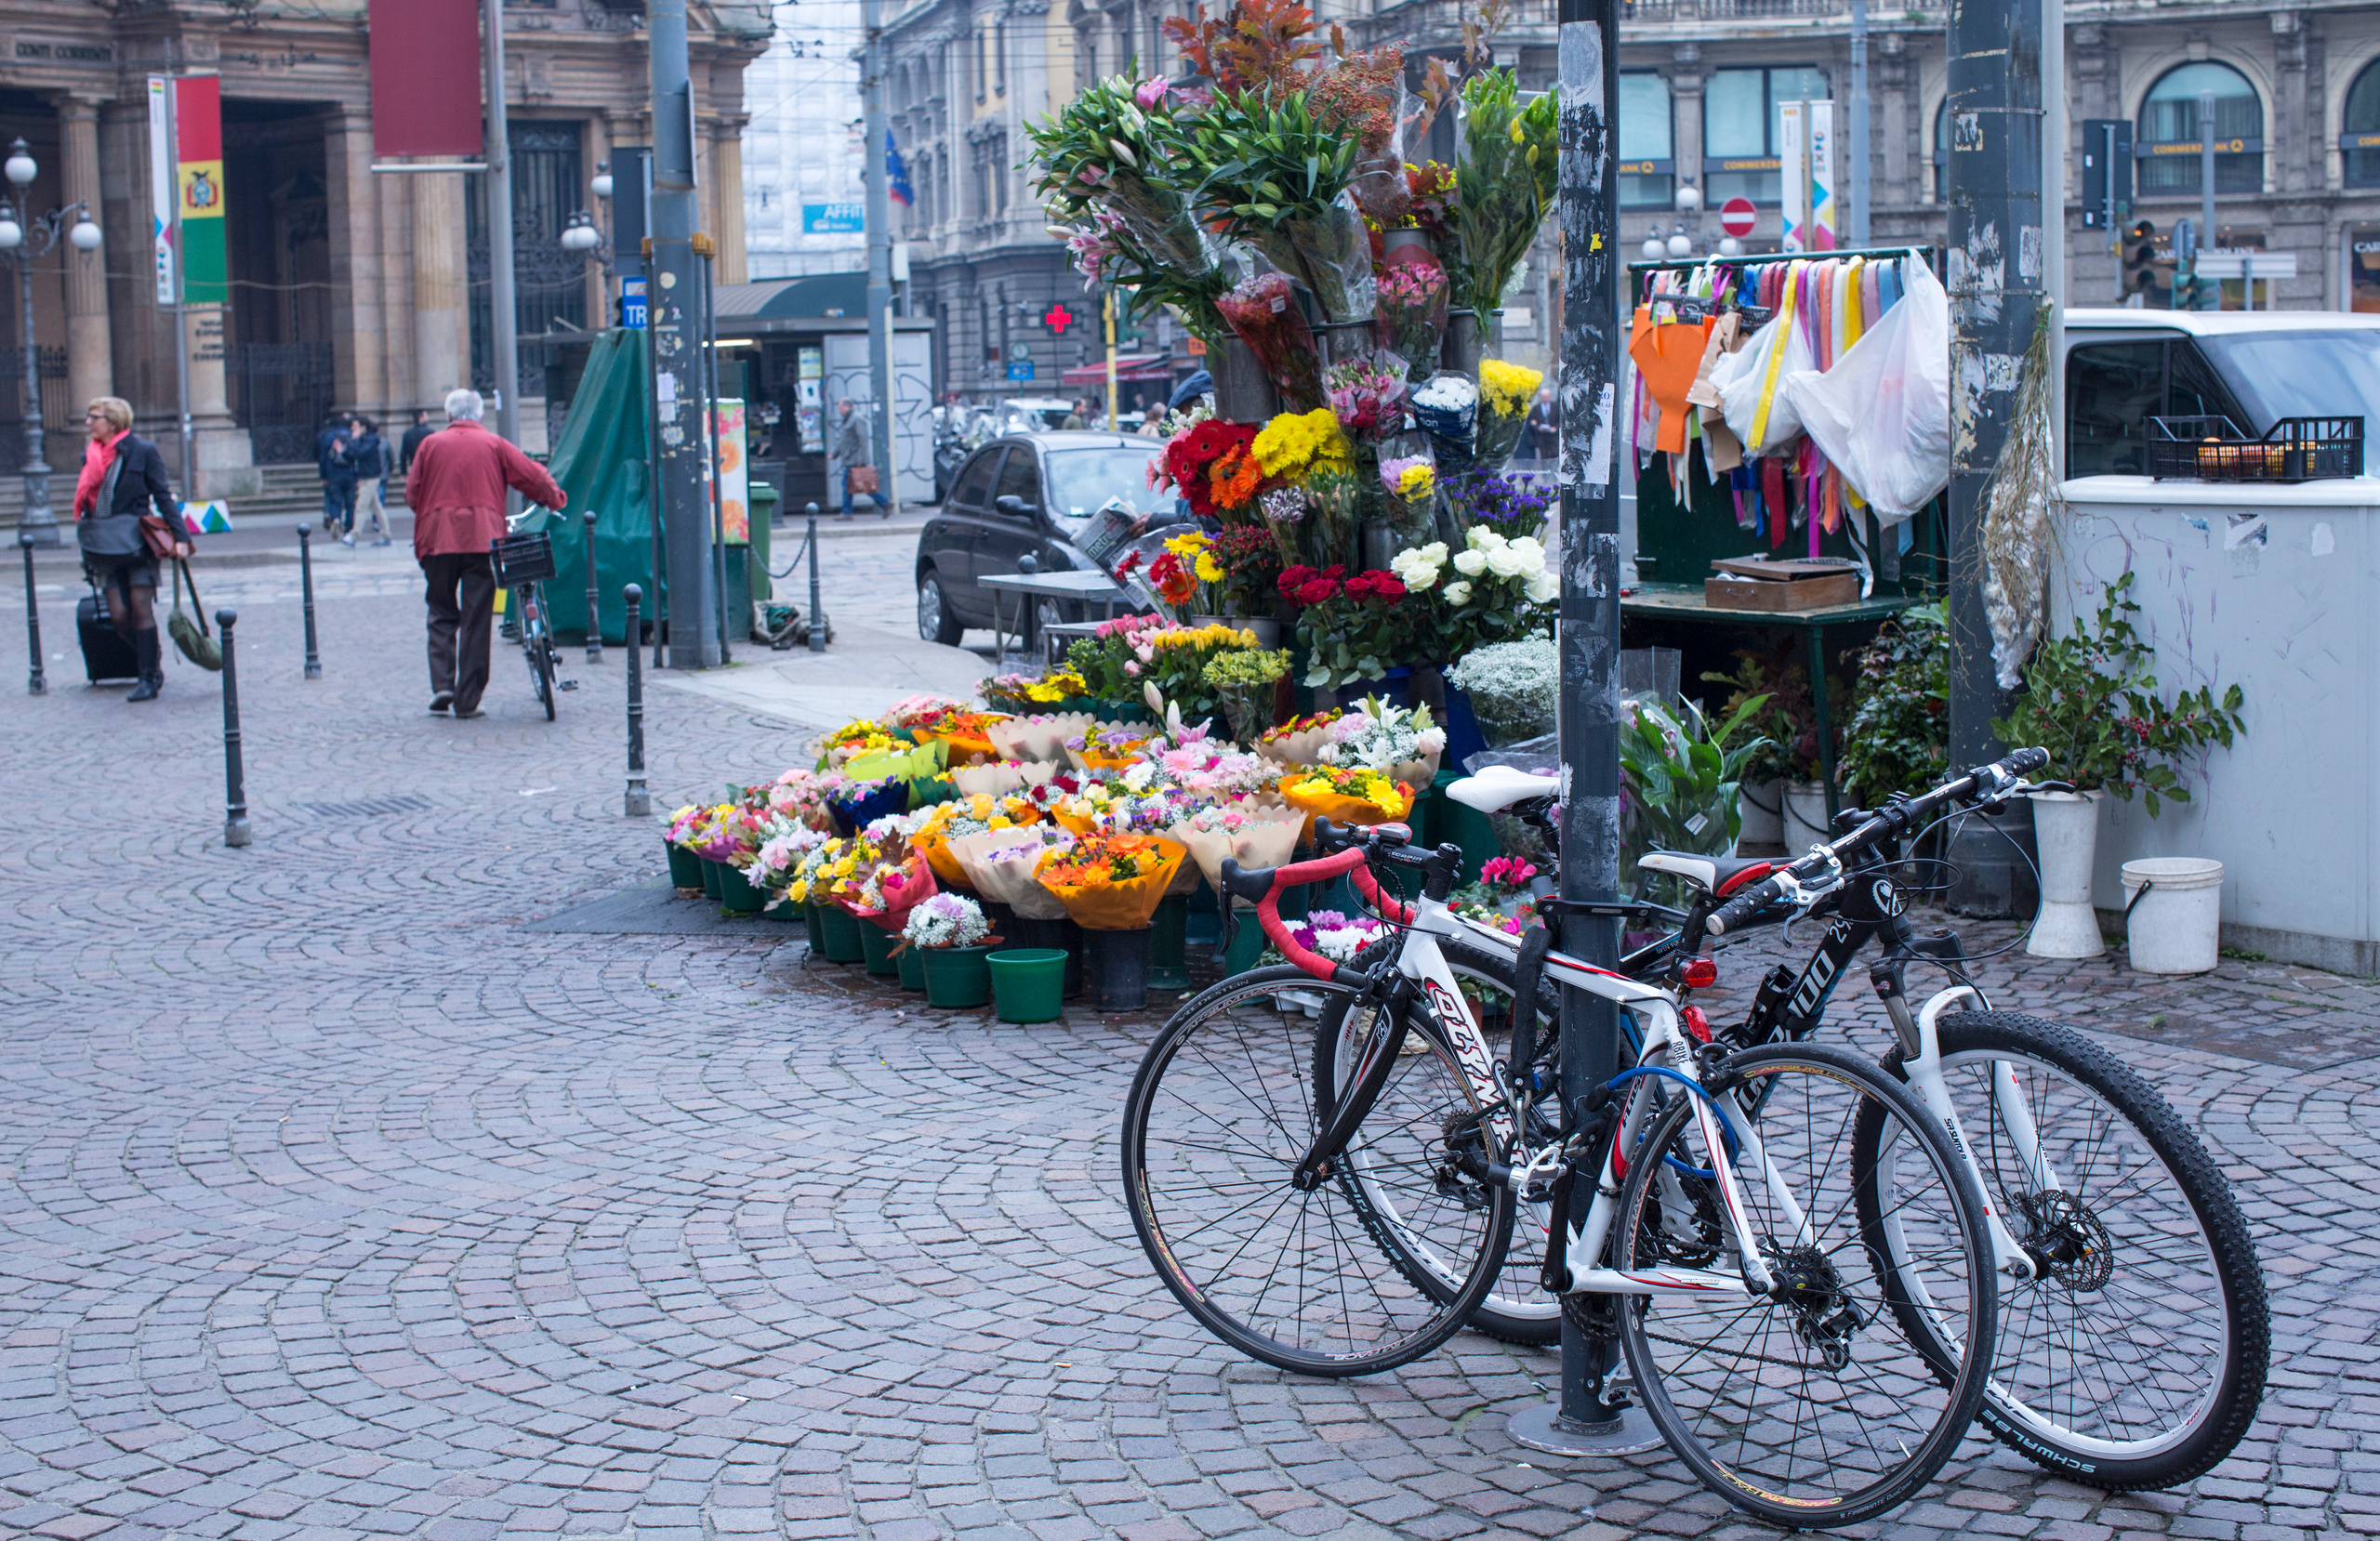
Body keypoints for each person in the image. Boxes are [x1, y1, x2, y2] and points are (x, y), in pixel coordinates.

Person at [405, 388, 566, 718]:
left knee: (440, 610)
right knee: (476, 619)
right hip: (482, 539)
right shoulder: (494, 444)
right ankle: (468, 699)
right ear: (479, 415)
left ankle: (442, 685)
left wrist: (434, 512)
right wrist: (555, 499)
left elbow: (412, 494)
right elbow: (533, 475)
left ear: (450, 416)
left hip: (438, 539)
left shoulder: (430, 445)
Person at [73, 396, 191, 702]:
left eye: (93, 417)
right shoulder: (90, 456)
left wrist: (181, 537)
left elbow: (162, 495)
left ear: (111, 422)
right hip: (101, 545)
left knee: (141, 607)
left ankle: (147, 677)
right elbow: (88, 502)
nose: (88, 422)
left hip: (137, 543)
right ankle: (151, 657)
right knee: (119, 615)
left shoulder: (143, 451)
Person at [829, 397, 888, 520]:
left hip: (855, 459)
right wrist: (835, 453)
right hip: (851, 458)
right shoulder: (848, 419)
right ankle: (884, 503)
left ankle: (847, 512)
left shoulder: (856, 419)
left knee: (852, 484)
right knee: (855, 485)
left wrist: (860, 459)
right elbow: (843, 440)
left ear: (847, 406)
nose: (839, 410)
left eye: (840, 407)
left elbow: (863, 440)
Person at [349, 415, 392, 547]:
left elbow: (360, 453)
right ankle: (386, 535)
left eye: (355, 427)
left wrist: (355, 440)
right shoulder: (364, 440)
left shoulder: (371, 440)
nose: (353, 430)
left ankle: (354, 535)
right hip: (366, 476)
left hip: (370, 477)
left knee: (361, 506)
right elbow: (353, 455)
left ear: (363, 427)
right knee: (377, 507)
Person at [316, 410, 357, 537]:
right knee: (350, 504)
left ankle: (335, 519)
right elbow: (357, 456)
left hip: (333, 473)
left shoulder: (330, 436)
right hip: (350, 473)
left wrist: (323, 475)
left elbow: (323, 457)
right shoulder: (352, 436)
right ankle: (349, 528)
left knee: (335, 500)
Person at [397, 407, 435, 476]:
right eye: (426, 416)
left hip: (414, 468)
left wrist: (403, 471)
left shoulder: (407, 434)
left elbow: (403, 455)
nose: (427, 418)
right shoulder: (430, 432)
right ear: (421, 418)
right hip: (429, 468)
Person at [1526, 388, 1560, 465]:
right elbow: (1532, 422)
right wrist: (1538, 427)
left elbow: (1560, 420)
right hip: (1542, 437)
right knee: (1544, 457)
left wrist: (1555, 428)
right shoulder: (1536, 408)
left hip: (1553, 437)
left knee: (1554, 455)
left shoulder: (1556, 407)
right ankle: (1545, 475)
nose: (1545, 398)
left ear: (1549, 396)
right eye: (1543, 396)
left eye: (1546, 396)